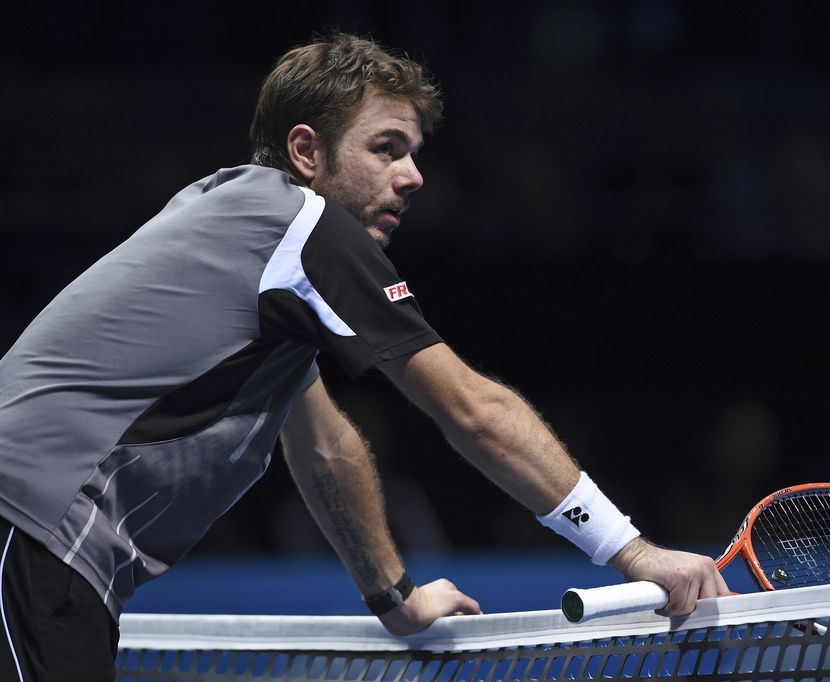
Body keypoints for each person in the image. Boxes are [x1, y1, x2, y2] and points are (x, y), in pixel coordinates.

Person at [0, 32, 729, 681]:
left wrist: (395, 597)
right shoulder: (304, 225)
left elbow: (323, 446)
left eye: (413, 154)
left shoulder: (238, 224)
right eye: (386, 149)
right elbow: (476, 411)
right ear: (307, 152)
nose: (411, 175)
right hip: (28, 534)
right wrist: (634, 553)